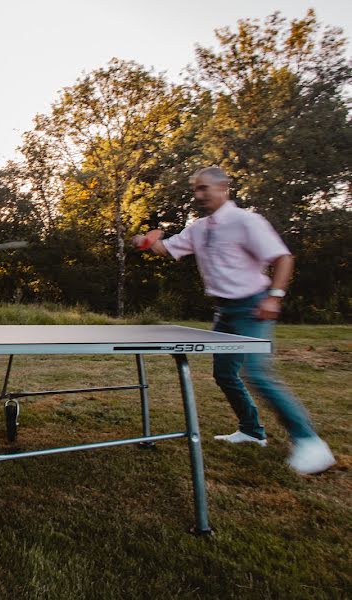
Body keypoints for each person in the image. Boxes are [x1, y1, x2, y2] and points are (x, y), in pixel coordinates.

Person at [133, 166, 335, 475]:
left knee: (257, 373)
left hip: (252, 307)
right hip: (224, 311)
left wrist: (274, 296)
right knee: (225, 373)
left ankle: (311, 443)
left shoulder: (247, 222)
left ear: (224, 187)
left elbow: (283, 257)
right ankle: (252, 431)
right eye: (196, 190)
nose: (199, 195)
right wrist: (148, 241)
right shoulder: (199, 228)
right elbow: (168, 249)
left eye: (204, 189)